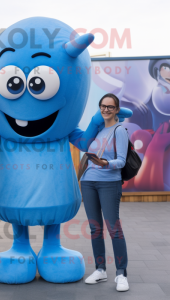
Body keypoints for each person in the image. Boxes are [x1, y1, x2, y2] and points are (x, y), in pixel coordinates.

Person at [81, 93, 129, 292]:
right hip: (88, 182)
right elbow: (85, 146)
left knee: (114, 228)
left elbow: (122, 161)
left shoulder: (119, 130)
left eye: (110, 107)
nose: (106, 109)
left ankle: (121, 273)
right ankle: (100, 269)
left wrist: (106, 163)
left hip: (109, 183)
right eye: (103, 106)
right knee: (95, 229)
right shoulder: (99, 129)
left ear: (117, 110)